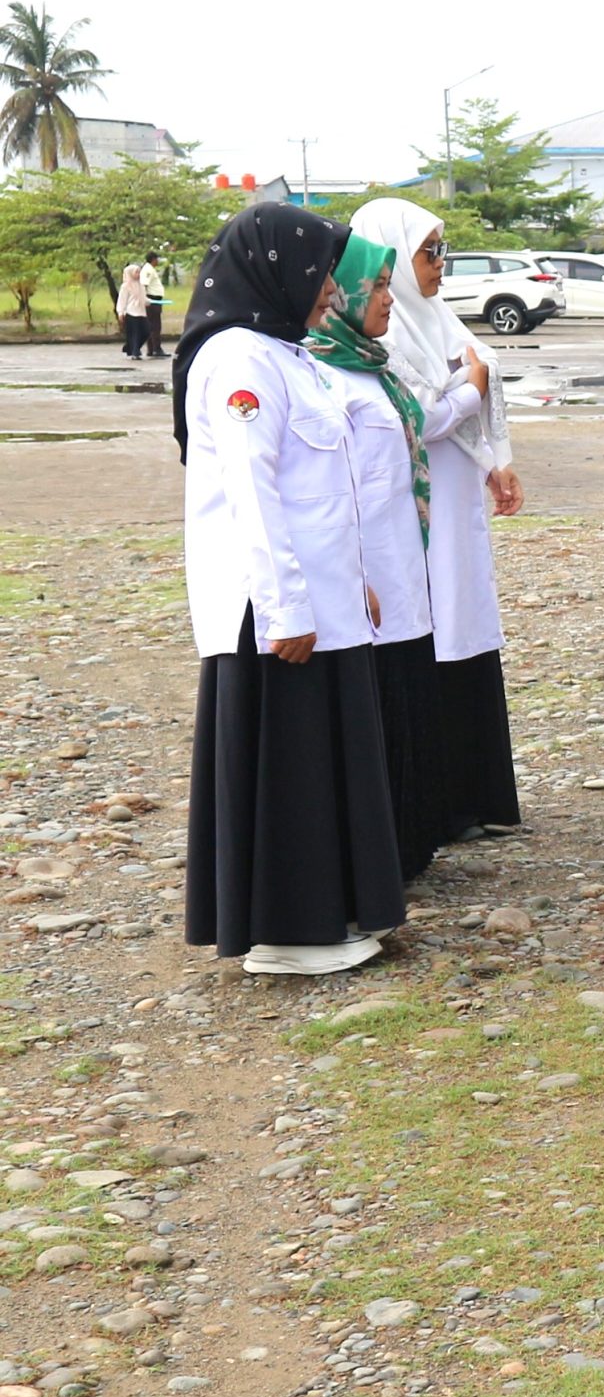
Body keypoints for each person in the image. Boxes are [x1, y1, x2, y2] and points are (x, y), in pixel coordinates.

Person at [175, 205, 405, 975]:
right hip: (270, 611)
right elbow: (254, 494)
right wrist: (286, 610)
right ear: (279, 271)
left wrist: (355, 580)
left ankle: (326, 916)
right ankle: (286, 935)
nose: (332, 294)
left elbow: (328, 487)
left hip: (320, 597)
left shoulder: (286, 353)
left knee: (323, 760)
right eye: (321, 276)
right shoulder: (240, 360)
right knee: (288, 769)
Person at [307, 233, 488, 879]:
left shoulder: (371, 365)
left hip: (406, 574)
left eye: (389, 285)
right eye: (376, 287)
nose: (387, 298)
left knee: (409, 710)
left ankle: (408, 849)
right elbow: (327, 493)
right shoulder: (322, 376)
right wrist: (350, 573)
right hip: (369, 587)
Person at [352, 197, 523, 841]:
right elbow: (415, 418)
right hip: (415, 509)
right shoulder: (383, 328)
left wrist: (494, 461)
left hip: (456, 496)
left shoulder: (434, 318)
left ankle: (477, 795)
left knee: (464, 623)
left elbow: (476, 380)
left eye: (442, 251)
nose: (440, 266)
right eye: (429, 253)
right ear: (389, 258)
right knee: (433, 626)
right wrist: (469, 390)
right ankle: (443, 801)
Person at [117, 258, 150, 359]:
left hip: (141, 312)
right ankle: (135, 352)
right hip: (131, 312)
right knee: (135, 333)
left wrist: (148, 302)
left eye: (139, 272)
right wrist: (120, 312)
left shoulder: (141, 286)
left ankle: (130, 348)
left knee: (146, 331)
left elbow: (143, 298)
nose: (138, 274)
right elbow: (122, 300)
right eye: (136, 272)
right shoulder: (125, 286)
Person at [139, 252, 168, 358]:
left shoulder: (149, 269)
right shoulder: (148, 270)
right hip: (152, 299)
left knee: (152, 325)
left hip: (154, 299)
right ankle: (156, 348)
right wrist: (145, 298)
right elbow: (144, 285)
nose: (158, 261)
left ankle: (152, 349)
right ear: (153, 259)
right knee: (155, 325)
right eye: (157, 259)